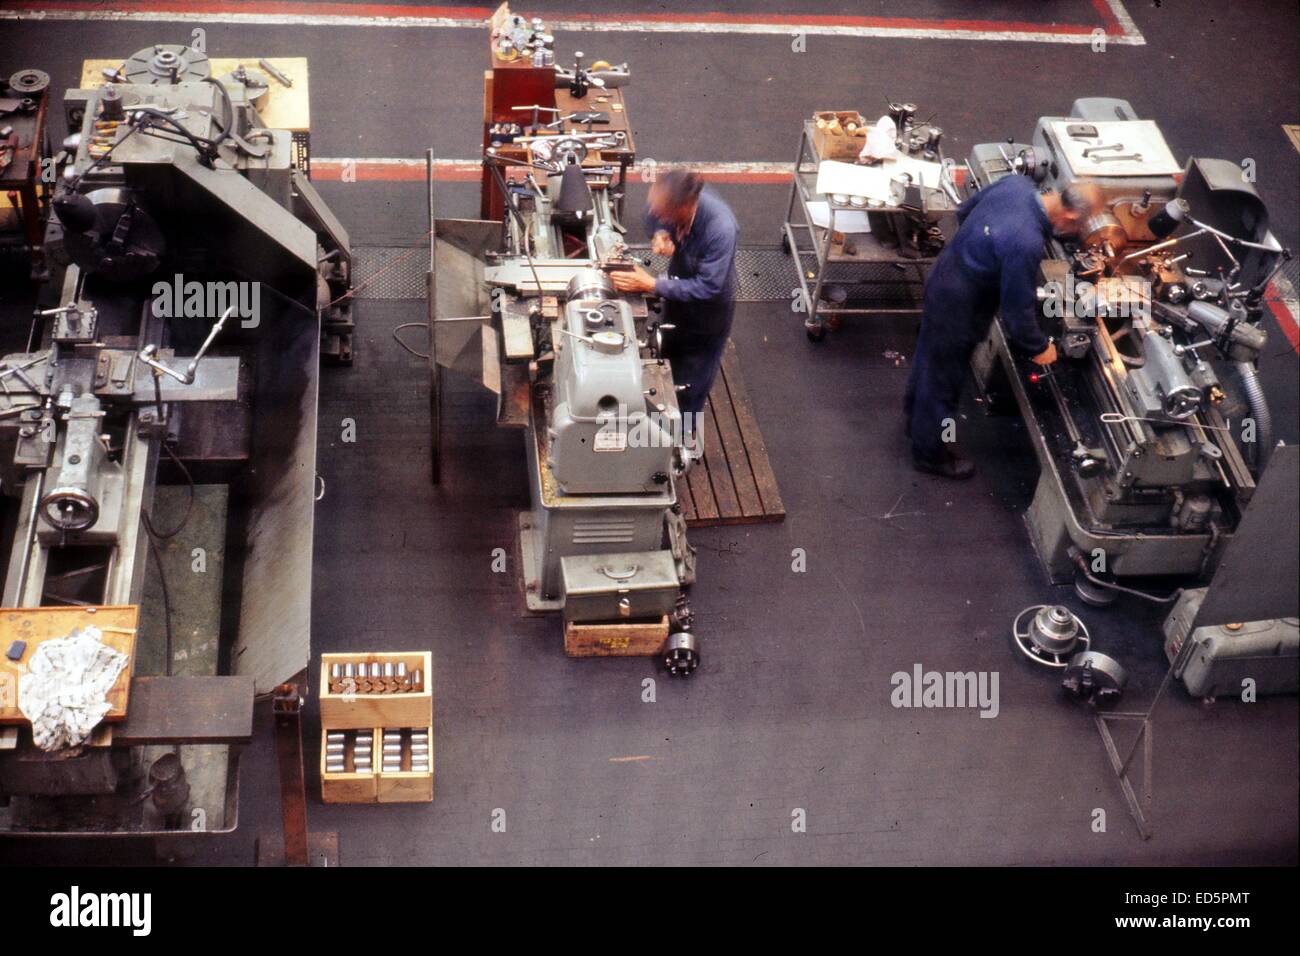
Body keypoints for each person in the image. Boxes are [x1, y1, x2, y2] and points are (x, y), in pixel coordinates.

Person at [905, 177, 1104, 479]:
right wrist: (1039, 347)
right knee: (944, 383)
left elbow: (963, 211)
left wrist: (979, 253)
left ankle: (913, 418)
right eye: (1082, 225)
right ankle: (930, 453)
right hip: (962, 310)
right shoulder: (1025, 242)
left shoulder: (1016, 185)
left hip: (944, 277)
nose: (1078, 232)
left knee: (928, 359)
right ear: (1072, 215)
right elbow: (1017, 313)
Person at [610, 170, 739, 460]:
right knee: (669, 358)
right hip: (678, 299)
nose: (655, 211)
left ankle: (682, 445)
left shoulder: (721, 228)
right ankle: (659, 423)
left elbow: (709, 287)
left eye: (662, 212)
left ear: (683, 207)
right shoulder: (670, 203)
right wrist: (660, 232)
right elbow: (651, 215)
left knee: (693, 380)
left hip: (706, 317)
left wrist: (651, 284)